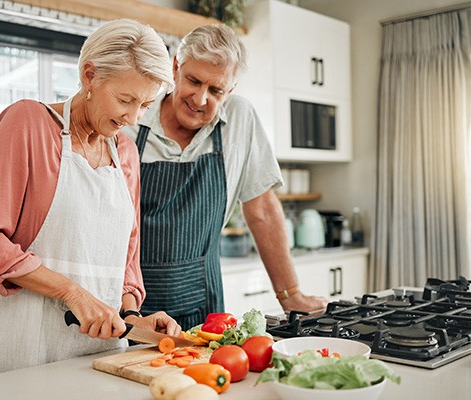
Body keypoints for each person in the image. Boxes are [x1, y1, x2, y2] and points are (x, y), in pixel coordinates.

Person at [0, 19, 179, 376]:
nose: (133, 117)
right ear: (90, 76)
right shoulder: (27, 123)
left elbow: (127, 257)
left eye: (146, 104)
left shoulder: (125, 153)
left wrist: (134, 317)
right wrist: (72, 293)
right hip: (27, 347)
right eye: (125, 99)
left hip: (103, 353)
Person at [123, 23, 327, 329]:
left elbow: (261, 210)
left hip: (204, 303)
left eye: (216, 90)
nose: (201, 99)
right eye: (193, 80)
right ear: (176, 67)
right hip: (131, 304)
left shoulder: (240, 119)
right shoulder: (131, 121)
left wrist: (291, 294)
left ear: (230, 90)